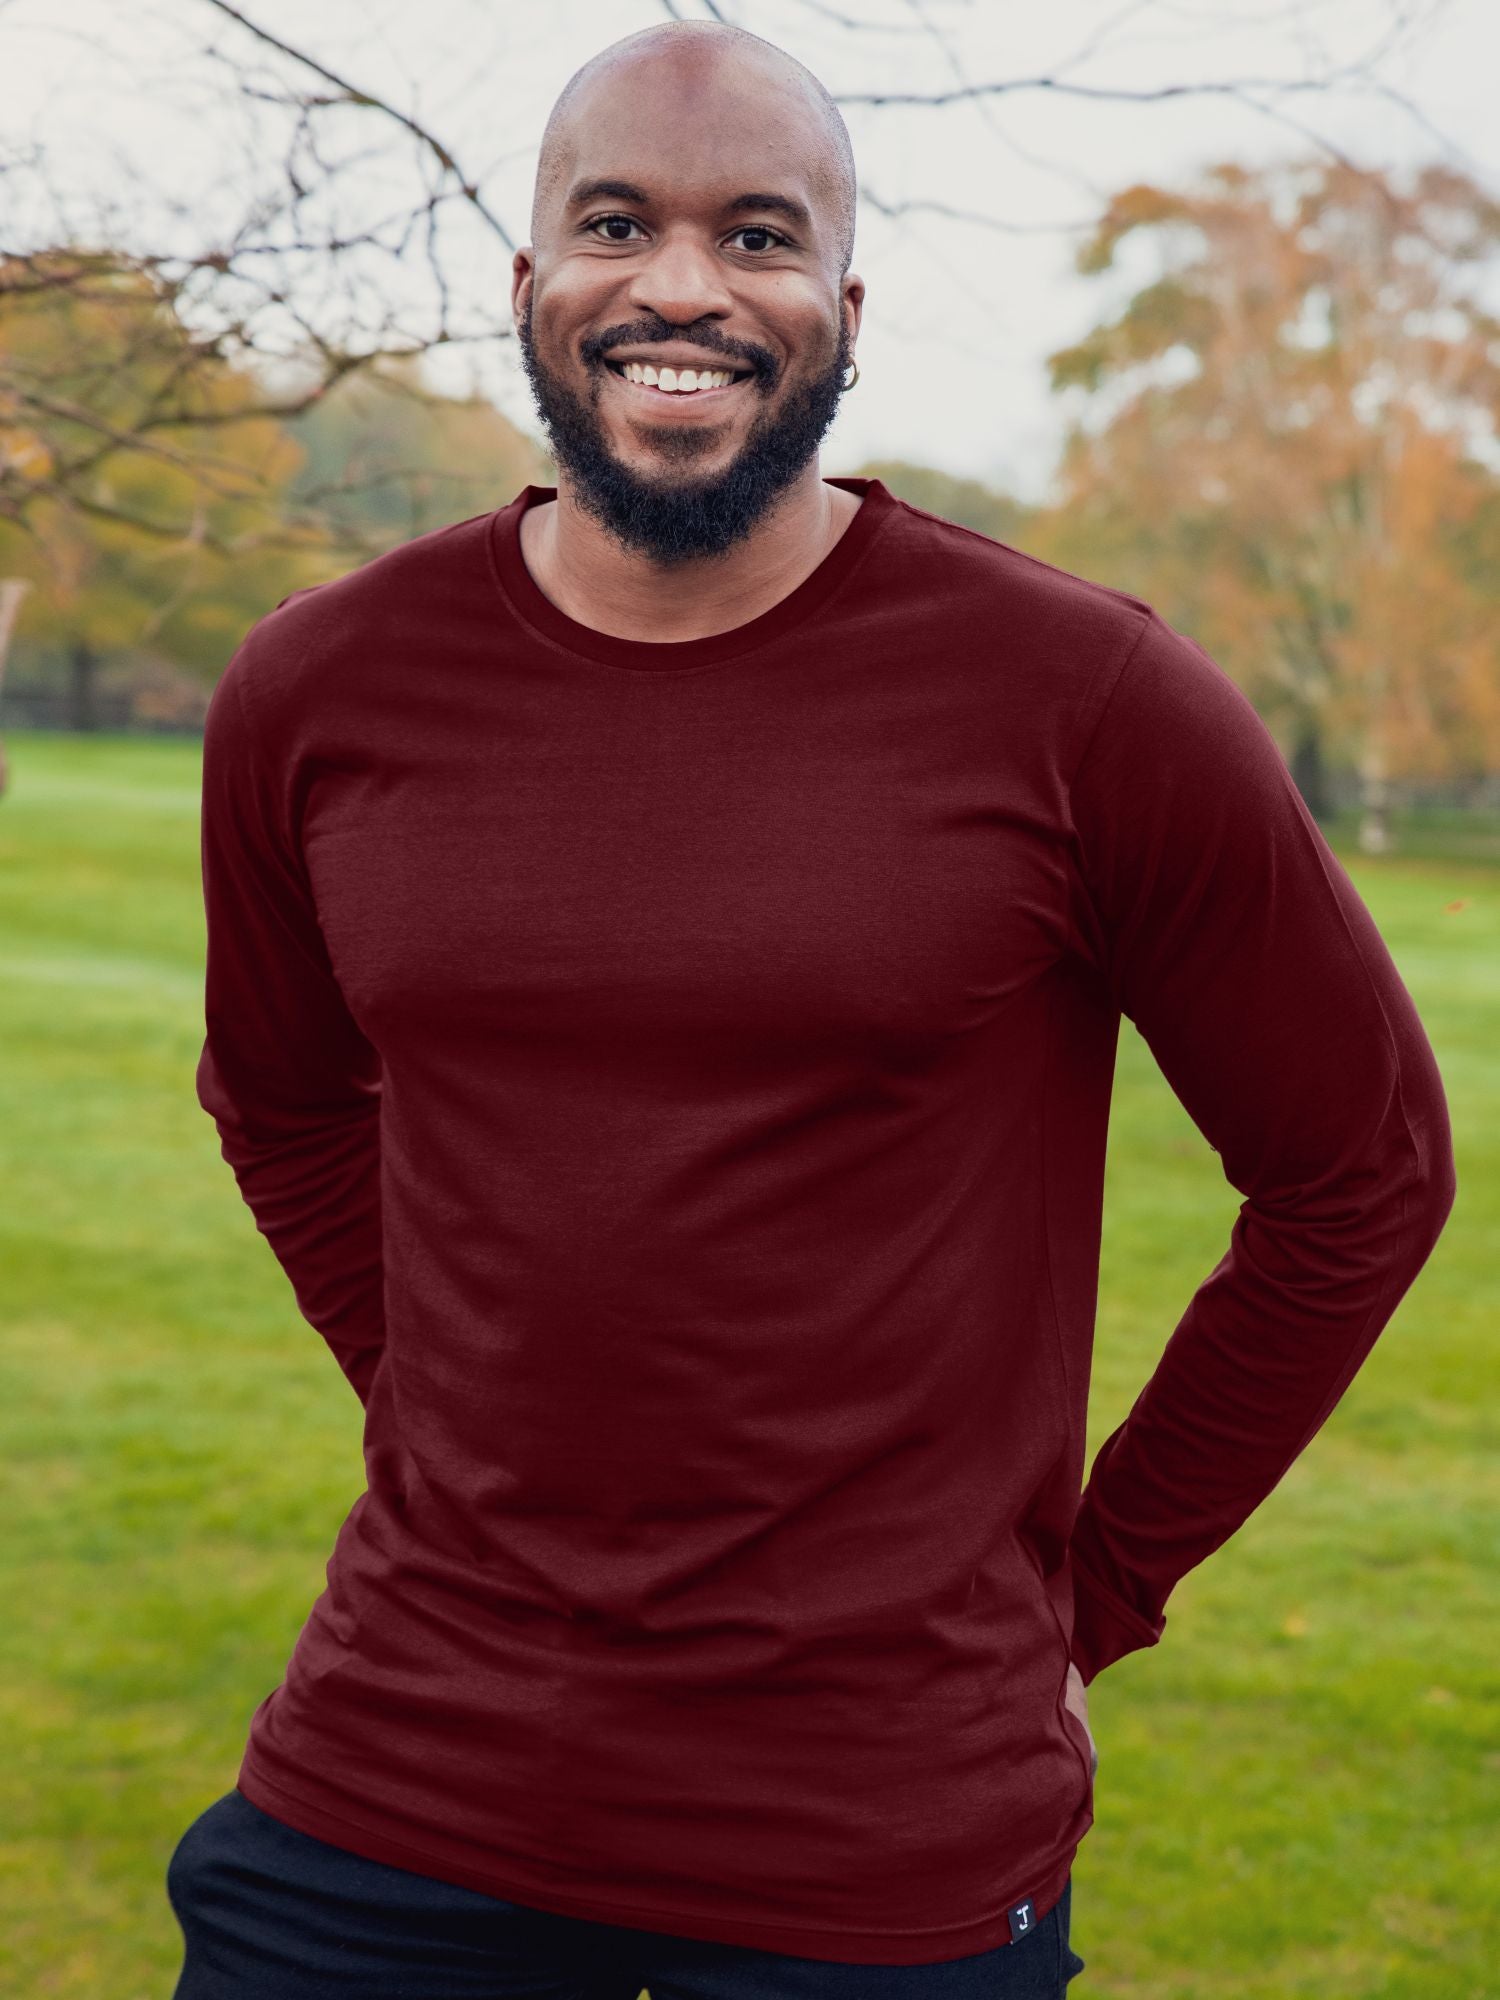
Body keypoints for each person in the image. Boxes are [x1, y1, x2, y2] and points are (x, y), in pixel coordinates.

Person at [165, 17, 1456, 2000]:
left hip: (879, 1841)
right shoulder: (318, 690)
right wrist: (432, 1394)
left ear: (843, 306)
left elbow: (1360, 1173)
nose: (682, 285)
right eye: (618, 222)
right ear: (531, 284)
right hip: (398, 1777)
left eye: (758, 235)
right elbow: (283, 1098)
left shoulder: (1088, 704)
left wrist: (1089, 1591)